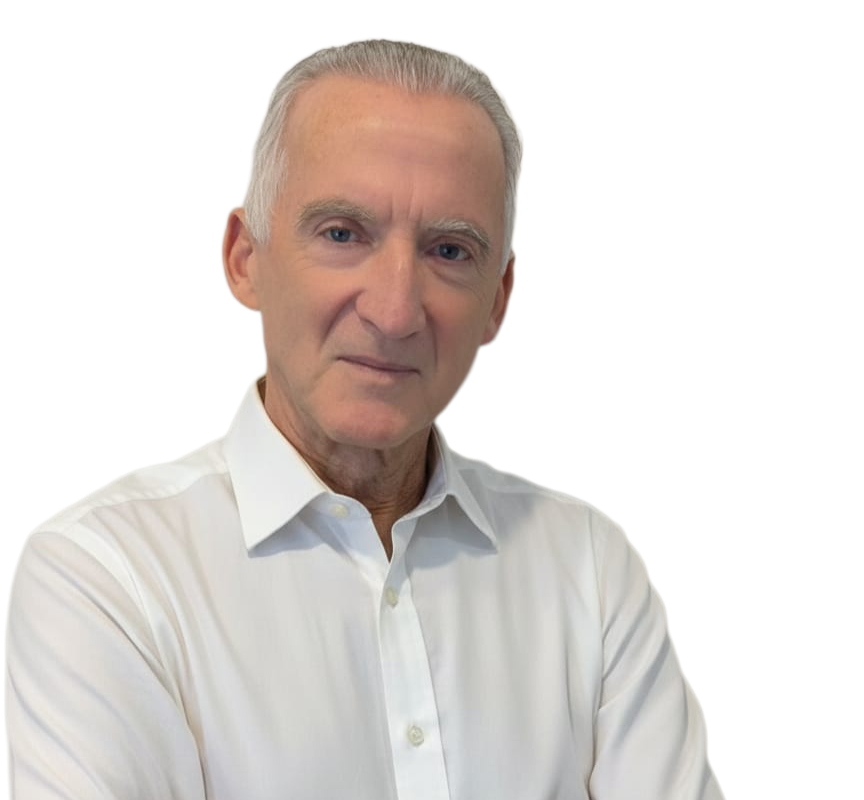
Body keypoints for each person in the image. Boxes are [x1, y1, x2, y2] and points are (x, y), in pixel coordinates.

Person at [4, 37, 726, 799]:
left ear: (500, 299)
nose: (393, 311)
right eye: (343, 234)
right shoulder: (105, 576)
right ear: (244, 259)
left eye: (449, 250)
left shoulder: (591, 567)